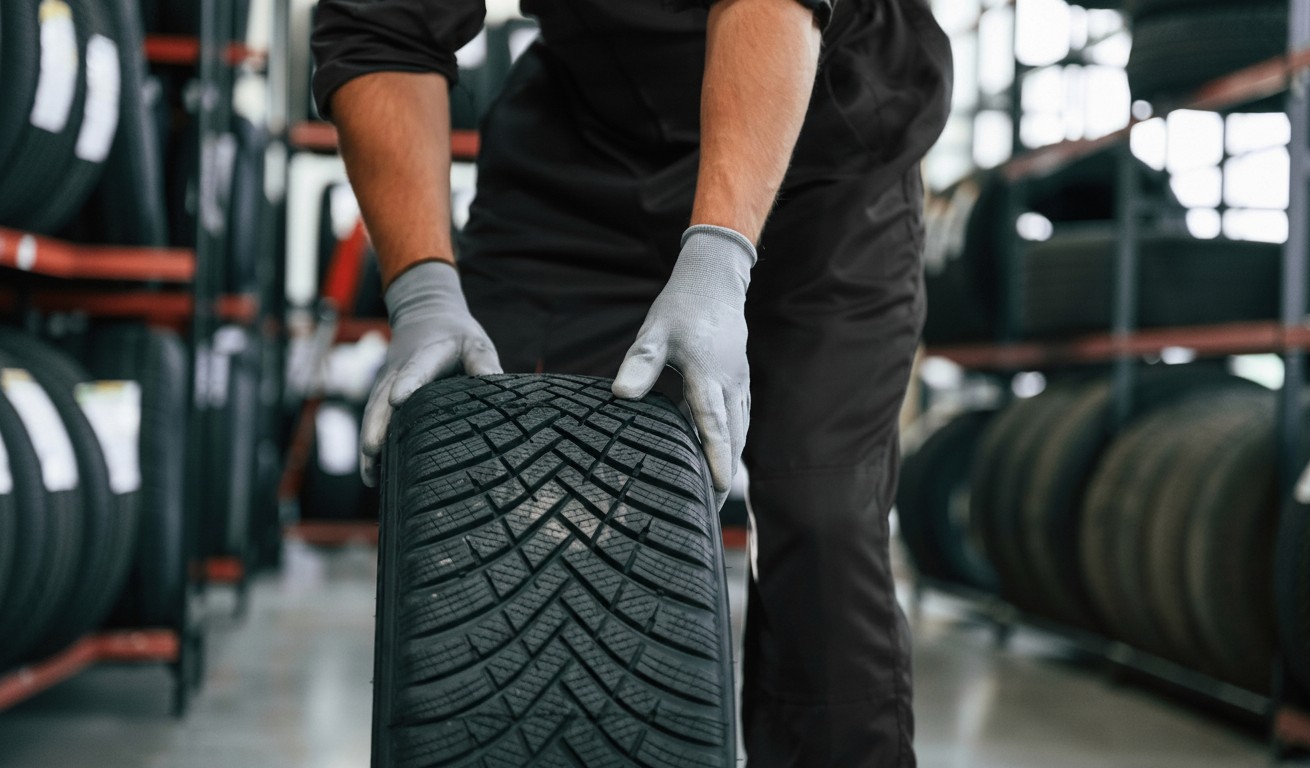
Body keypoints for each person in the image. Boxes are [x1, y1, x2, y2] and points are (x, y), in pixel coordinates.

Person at [311, 0, 951, 764]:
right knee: (509, 502)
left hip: (826, 147)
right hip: (589, 151)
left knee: (821, 521)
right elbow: (384, 25)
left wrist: (718, 261)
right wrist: (422, 289)